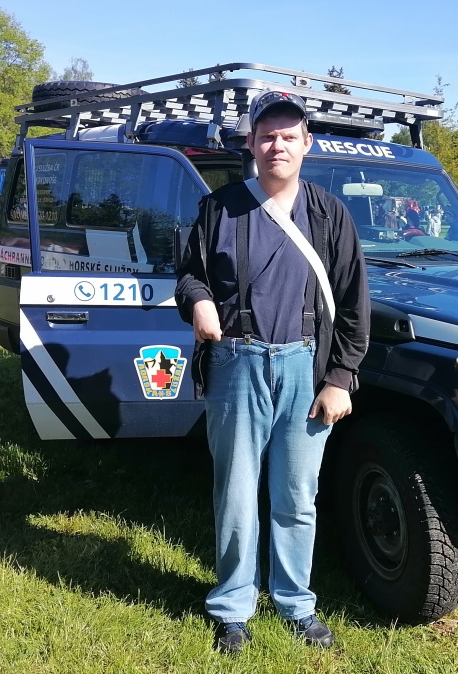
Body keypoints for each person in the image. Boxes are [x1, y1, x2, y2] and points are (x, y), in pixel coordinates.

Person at [175, 90, 370, 656]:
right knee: (235, 495)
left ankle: (295, 604)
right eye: (267, 136)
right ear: (251, 143)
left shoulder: (329, 214)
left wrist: (340, 378)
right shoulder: (219, 208)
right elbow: (187, 274)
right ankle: (232, 608)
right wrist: (198, 301)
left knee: (297, 497)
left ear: (307, 143)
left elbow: (354, 304)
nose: (277, 145)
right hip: (236, 365)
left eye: (288, 136)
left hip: (305, 370)